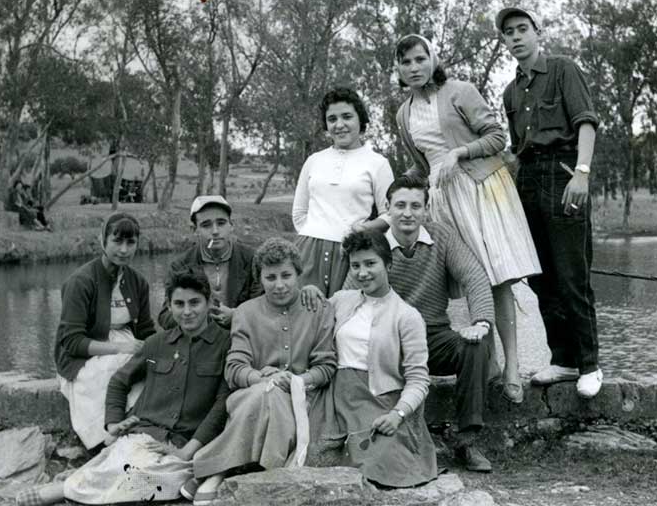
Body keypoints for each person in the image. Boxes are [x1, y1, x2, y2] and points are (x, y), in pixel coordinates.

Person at [394, 33, 541, 404]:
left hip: (481, 190)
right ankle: (486, 364)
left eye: (419, 59)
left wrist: (459, 153)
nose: (413, 68)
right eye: (405, 62)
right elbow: (422, 164)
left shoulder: (459, 91)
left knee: (497, 278)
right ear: (397, 68)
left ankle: (511, 367)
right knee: (470, 279)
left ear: (432, 59)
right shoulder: (403, 113)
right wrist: (400, 188)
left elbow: (496, 137)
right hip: (443, 198)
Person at [17, 268, 230, 506]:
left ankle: (68, 489)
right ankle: (74, 487)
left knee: (159, 481)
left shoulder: (225, 344)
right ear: (169, 307)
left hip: (184, 444)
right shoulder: (156, 344)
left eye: (195, 303)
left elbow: (222, 404)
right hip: (143, 437)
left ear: (209, 302)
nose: (187, 311)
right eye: (179, 304)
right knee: (128, 464)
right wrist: (113, 423)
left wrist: (186, 451)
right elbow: (120, 381)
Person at [342, 175, 495, 472]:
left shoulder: (443, 237)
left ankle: (467, 441)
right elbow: (348, 297)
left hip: (433, 336)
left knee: (475, 346)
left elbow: (475, 278)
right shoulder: (374, 246)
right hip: (387, 340)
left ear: (426, 209)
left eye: (416, 205)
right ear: (388, 208)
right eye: (400, 205)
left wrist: (482, 323)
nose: (408, 213)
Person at [496, 7, 602, 398]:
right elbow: (517, 150)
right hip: (528, 181)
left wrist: (582, 173)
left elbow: (586, 122)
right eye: (509, 33)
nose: (516, 38)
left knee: (572, 274)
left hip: (563, 173)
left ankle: (590, 364)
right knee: (541, 278)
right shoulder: (511, 91)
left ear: (537, 32)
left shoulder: (562, 69)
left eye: (523, 29)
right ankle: (563, 359)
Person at [183, 238, 336, 505]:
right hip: (252, 397)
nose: (279, 285)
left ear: (299, 274)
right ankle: (232, 471)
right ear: (260, 279)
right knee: (267, 395)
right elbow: (235, 369)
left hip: (303, 401)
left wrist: (297, 381)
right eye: (270, 277)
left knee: (274, 397)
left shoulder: (318, 309)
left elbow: (326, 366)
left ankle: (214, 469)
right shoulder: (245, 312)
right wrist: (265, 378)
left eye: (287, 275)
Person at [328, 229, 437, 488]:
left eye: (370, 263)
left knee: (381, 458)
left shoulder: (407, 316)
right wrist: (309, 291)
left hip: (379, 400)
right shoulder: (340, 301)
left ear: (388, 264)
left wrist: (397, 415)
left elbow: (419, 380)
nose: (362, 272)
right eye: (355, 265)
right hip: (335, 397)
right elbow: (303, 315)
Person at [54, 212, 156, 449]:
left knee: (151, 371)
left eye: (130, 243)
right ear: (102, 241)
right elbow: (72, 341)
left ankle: (138, 433)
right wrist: (120, 348)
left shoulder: (138, 282)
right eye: (117, 241)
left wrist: (163, 349)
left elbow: (145, 329)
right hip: (84, 354)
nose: (123, 249)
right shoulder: (81, 282)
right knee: (109, 373)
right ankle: (106, 441)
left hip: (127, 343)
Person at [293, 86, 394, 297]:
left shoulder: (377, 163)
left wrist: (362, 229)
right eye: (332, 119)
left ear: (360, 120)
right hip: (308, 252)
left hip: (351, 252)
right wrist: (317, 235)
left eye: (347, 116)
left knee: (346, 317)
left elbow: (390, 215)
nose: (339, 125)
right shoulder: (314, 160)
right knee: (306, 316)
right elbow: (299, 213)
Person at [158, 195, 261, 330]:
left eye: (221, 223)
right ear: (195, 230)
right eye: (206, 225)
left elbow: (266, 307)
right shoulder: (181, 265)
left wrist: (236, 315)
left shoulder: (252, 259)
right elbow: (165, 317)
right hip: (198, 341)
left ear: (231, 226)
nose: (215, 231)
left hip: (242, 336)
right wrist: (201, 316)